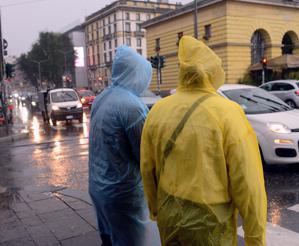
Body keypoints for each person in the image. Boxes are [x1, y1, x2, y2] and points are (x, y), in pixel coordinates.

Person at [141, 36, 267, 246]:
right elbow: (248, 181)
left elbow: (147, 168)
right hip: (210, 224)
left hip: (169, 215)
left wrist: (156, 209)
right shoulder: (228, 112)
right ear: (213, 72)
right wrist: (256, 238)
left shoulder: (158, 110)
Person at [89, 45, 159, 246]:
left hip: (99, 188)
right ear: (136, 74)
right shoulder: (132, 107)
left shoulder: (102, 98)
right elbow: (145, 156)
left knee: (109, 239)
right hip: (123, 194)